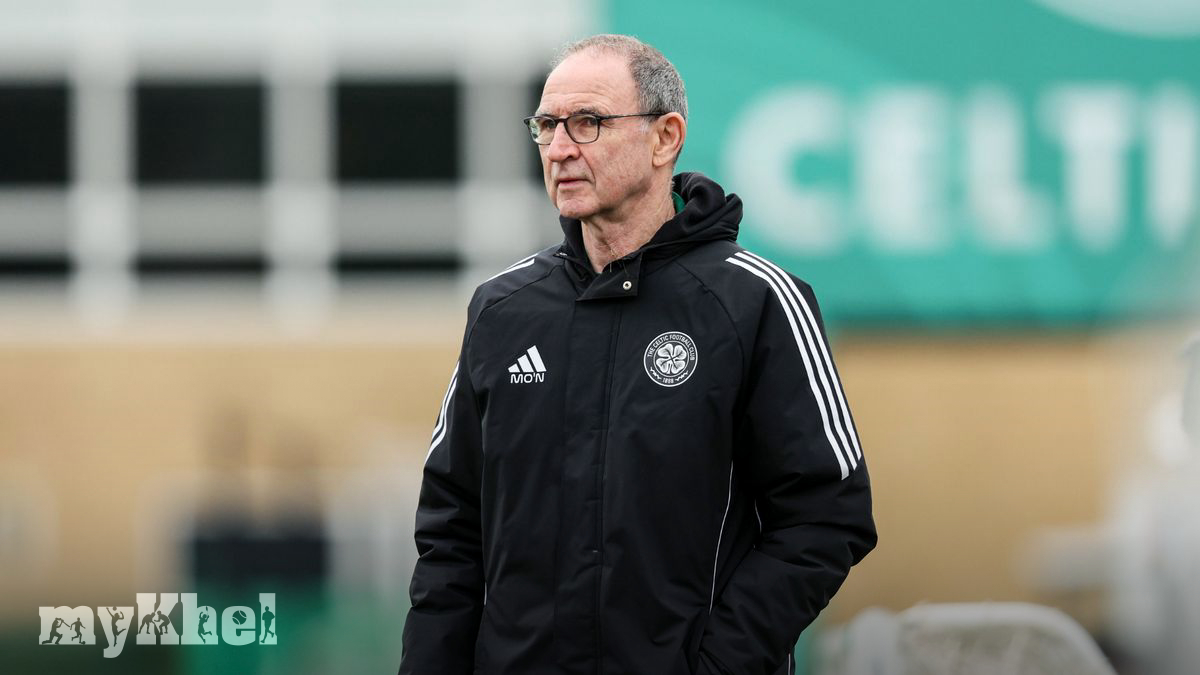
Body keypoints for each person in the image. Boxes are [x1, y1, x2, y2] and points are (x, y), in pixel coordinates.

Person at [399, 34, 876, 675]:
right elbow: (451, 529)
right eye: (547, 126)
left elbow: (827, 517)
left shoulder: (756, 301)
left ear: (664, 138)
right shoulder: (502, 310)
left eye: (588, 122)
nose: (559, 148)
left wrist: (718, 664)